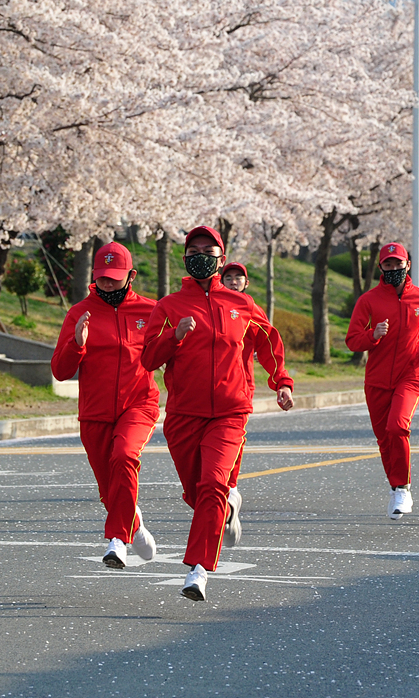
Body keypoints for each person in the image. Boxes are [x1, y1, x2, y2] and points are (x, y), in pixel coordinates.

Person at [140, 226, 295, 602]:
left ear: (221, 260)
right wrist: (174, 336)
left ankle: (198, 571)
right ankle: (227, 505)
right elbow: (148, 359)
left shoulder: (242, 305)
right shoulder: (168, 306)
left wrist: (282, 382)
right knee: (199, 494)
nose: (201, 256)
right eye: (193, 250)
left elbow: (269, 341)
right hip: (183, 415)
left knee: (211, 484)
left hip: (230, 411)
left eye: (209, 250)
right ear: (185, 259)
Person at [51, 242, 161, 569]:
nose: (109, 284)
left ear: (131, 275)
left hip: (139, 405)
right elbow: (60, 371)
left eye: (115, 277)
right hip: (95, 414)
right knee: (109, 491)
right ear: (94, 277)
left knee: (125, 455)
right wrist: (77, 343)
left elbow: (173, 353)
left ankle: (118, 540)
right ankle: (135, 525)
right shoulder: (78, 313)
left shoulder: (152, 311)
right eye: (103, 278)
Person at [346, 242, 419, 520]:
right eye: (387, 265)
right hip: (376, 379)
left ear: (407, 265)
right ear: (381, 267)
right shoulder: (369, 300)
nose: (393, 269)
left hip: (410, 375)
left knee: (397, 427)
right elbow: (352, 340)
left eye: (397, 264)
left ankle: (403, 487)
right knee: (383, 438)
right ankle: (395, 487)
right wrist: (373, 335)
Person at [217, 260, 291, 545]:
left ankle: (230, 491)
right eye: (229, 277)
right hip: (196, 395)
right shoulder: (204, 306)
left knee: (231, 442)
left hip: (238, 389)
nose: (233, 281)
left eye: (239, 278)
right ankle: (227, 498)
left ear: (246, 283)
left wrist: (281, 382)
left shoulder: (248, 308)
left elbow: (270, 344)